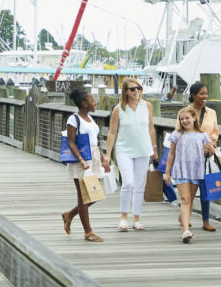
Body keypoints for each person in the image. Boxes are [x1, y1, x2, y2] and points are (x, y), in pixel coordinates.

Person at [104, 77, 157, 231]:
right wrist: (108, 154)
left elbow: (151, 128)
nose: (136, 91)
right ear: (125, 92)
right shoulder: (118, 109)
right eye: (132, 89)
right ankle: (123, 217)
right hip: (124, 150)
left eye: (139, 88)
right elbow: (112, 133)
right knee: (128, 182)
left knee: (140, 185)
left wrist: (154, 148)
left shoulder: (147, 106)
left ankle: (137, 218)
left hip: (143, 150)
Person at [61, 88, 111, 243]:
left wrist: (103, 160)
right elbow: (71, 141)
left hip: (93, 157)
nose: (95, 102)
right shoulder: (74, 119)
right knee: (84, 196)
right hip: (81, 160)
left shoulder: (90, 118)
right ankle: (88, 232)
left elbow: (94, 142)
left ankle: (69, 215)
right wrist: (81, 159)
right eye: (92, 100)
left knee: (95, 194)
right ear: (84, 104)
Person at [163, 107, 210, 244]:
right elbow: (171, 154)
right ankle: (185, 231)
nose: (184, 121)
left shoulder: (202, 135)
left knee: (190, 200)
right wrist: (167, 172)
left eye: (187, 118)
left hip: (196, 170)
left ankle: (184, 220)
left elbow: (208, 153)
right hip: (181, 169)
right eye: (181, 119)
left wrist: (210, 150)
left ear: (194, 118)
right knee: (185, 199)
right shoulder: (177, 134)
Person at [187, 81, 221, 232]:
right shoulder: (186, 112)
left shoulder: (211, 112)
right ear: (193, 95)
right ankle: (185, 216)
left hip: (207, 155)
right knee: (190, 189)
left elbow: (215, 131)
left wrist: (212, 145)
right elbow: (181, 131)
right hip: (191, 156)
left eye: (206, 93)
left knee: (205, 188)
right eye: (201, 94)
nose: (205, 96)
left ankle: (206, 221)